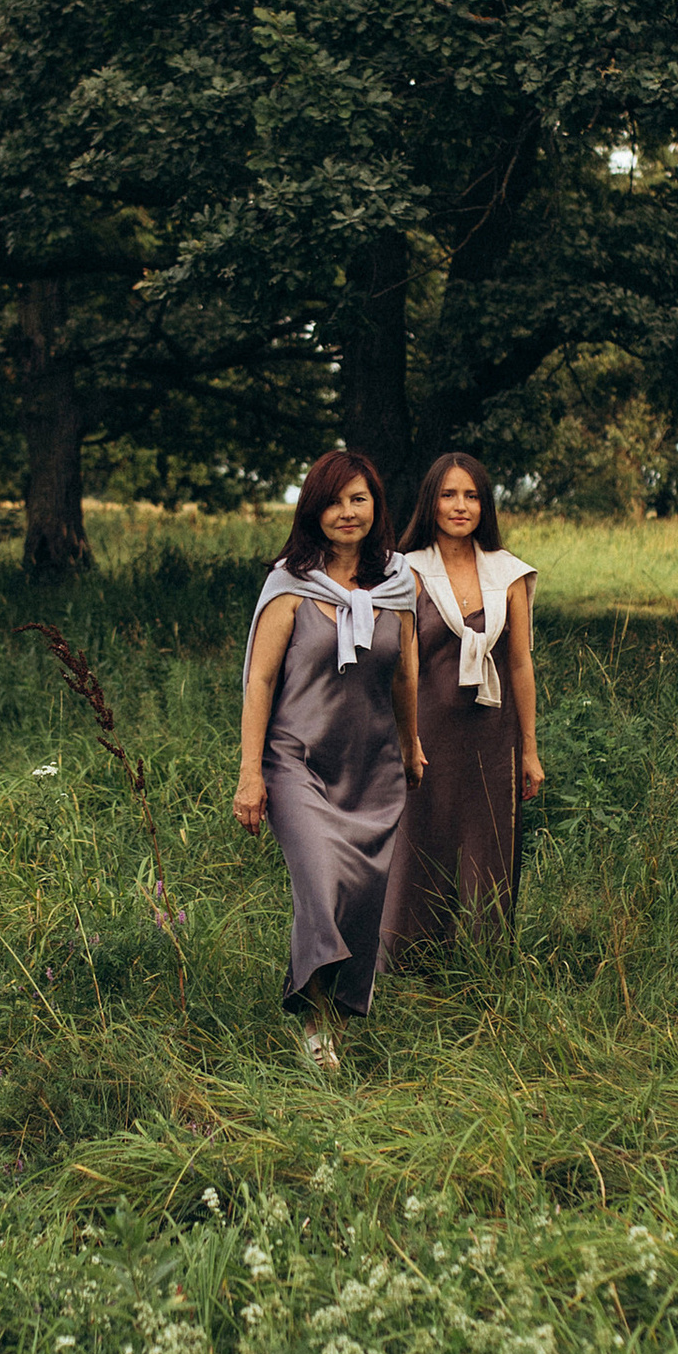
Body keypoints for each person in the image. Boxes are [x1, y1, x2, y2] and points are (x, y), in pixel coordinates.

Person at [232, 447, 424, 1071]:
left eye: (358, 499)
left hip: (372, 767)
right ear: (313, 510)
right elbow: (260, 682)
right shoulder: (288, 585)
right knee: (321, 883)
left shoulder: (400, 584)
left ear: (376, 506)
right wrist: (250, 773)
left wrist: (411, 743)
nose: (347, 512)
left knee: (361, 897)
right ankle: (314, 1022)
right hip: (297, 762)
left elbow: (406, 675)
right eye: (334, 501)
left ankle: (332, 1019)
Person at [380, 449, 541, 964]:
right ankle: (409, 963)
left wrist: (529, 749)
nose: (460, 506)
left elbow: (520, 664)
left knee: (486, 845)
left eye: (471, 496)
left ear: (484, 505)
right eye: (449, 494)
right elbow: (402, 665)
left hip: (493, 737)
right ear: (431, 501)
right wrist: (405, 740)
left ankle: (481, 963)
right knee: (420, 841)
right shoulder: (407, 571)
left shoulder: (508, 573)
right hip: (426, 733)